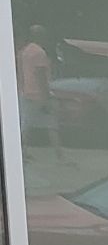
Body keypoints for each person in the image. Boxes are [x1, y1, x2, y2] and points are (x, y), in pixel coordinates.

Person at [15, 24, 60, 157]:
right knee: (52, 125)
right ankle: (59, 155)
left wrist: (21, 88)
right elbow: (41, 76)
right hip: (39, 95)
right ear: (40, 36)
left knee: (26, 125)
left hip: (26, 93)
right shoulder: (40, 53)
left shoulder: (24, 51)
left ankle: (21, 152)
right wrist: (46, 98)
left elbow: (20, 73)